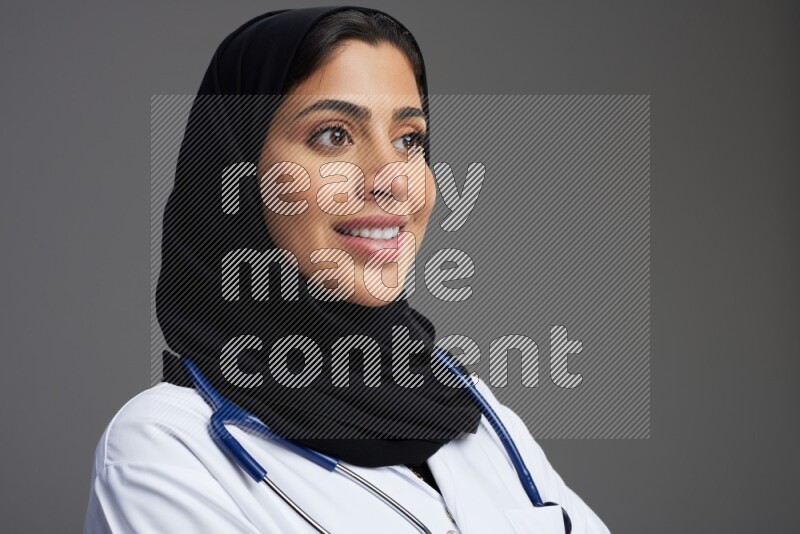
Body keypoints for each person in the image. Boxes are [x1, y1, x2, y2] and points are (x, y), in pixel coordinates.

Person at [82, 6, 610, 533]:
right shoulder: (163, 449)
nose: (392, 180)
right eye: (333, 136)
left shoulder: (470, 408)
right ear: (237, 173)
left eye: (409, 140)